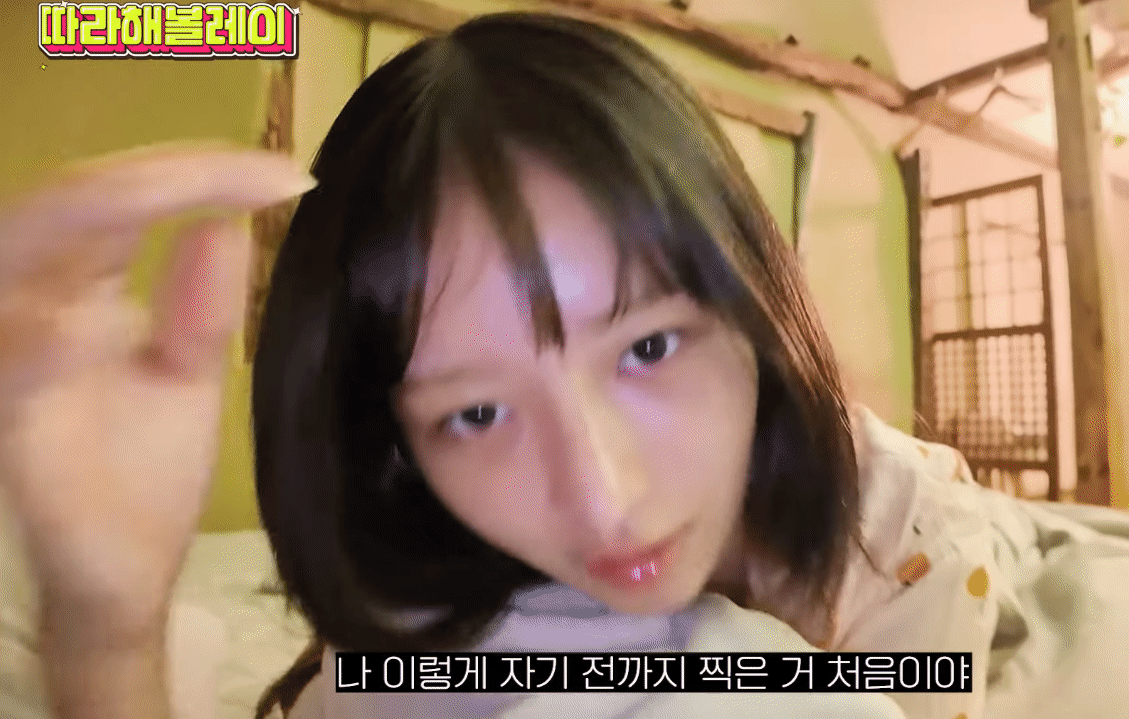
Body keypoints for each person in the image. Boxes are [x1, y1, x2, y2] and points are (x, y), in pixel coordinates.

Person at [0, 11, 1127, 719]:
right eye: (476, 413)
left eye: (647, 346)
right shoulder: (429, 570)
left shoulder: (904, 548)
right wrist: (107, 630)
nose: (601, 492)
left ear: (753, 305)